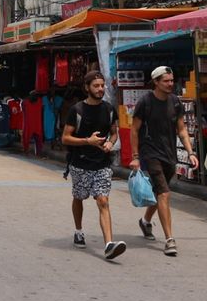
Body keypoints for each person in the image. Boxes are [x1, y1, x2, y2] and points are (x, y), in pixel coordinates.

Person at [128, 66, 198, 257]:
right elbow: (134, 130)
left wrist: (190, 152)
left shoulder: (175, 102)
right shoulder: (145, 102)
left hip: (169, 154)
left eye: (171, 80)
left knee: (160, 192)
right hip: (150, 154)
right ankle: (169, 240)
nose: (170, 84)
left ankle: (145, 221)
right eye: (166, 81)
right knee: (164, 194)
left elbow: (182, 129)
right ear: (156, 82)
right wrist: (135, 157)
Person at [62, 71, 125, 259]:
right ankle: (79, 230)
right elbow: (65, 138)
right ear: (87, 88)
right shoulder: (77, 110)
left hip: (102, 164)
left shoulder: (109, 109)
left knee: (103, 200)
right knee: (79, 197)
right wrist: (87, 141)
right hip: (80, 162)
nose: (100, 89)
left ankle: (109, 245)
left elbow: (114, 132)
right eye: (96, 86)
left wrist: (110, 143)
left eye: (102, 85)